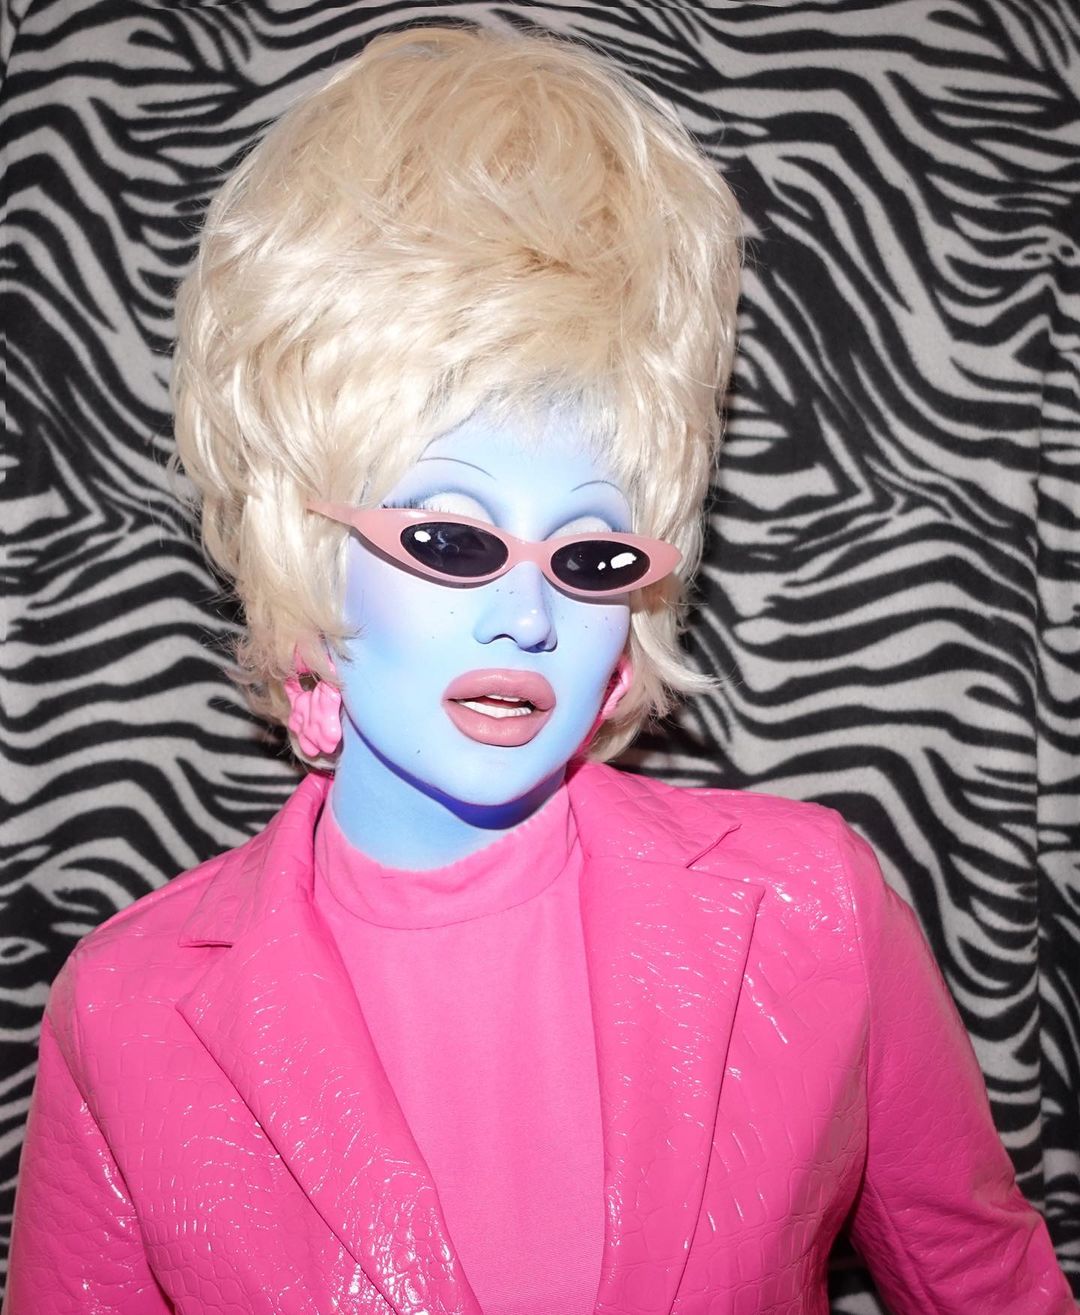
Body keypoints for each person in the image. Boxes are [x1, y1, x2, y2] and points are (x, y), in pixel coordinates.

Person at [3, 23, 1075, 1315]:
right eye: (451, 541)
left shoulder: (813, 912)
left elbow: (989, 1283)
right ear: (304, 550)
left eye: (589, 557)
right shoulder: (126, 1014)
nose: (529, 617)